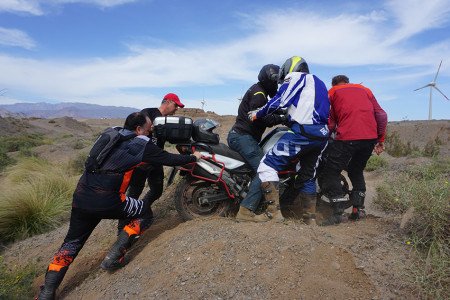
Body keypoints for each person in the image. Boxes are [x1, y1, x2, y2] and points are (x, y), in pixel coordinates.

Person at [37, 112, 201, 300]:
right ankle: (114, 256)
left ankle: (47, 292)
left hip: (81, 197)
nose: (150, 133)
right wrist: (193, 157)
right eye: (149, 130)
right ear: (139, 129)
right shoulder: (141, 143)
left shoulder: (111, 133)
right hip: (108, 200)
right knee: (145, 212)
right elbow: (168, 159)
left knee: (71, 244)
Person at [249, 56, 330, 224]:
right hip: (321, 136)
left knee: (267, 166)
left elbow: (280, 100)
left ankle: (273, 214)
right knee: (307, 176)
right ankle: (310, 219)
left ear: (290, 68)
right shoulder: (319, 83)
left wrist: (257, 113)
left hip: (302, 133)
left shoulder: (296, 77)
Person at [318, 75, 387, 226]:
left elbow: (330, 122)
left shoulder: (333, 92)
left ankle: (338, 214)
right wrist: (380, 139)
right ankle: (358, 210)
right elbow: (381, 115)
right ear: (348, 82)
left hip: (347, 137)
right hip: (369, 139)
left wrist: (324, 137)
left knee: (331, 172)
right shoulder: (365, 90)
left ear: (334, 83)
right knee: (356, 170)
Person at [227, 64, 287, 222]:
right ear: (268, 81)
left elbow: (267, 110)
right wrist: (283, 118)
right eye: (274, 82)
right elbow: (261, 116)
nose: (276, 86)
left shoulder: (259, 91)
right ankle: (246, 211)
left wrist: (282, 111)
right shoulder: (259, 94)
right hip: (242, 137)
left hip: (243, 136)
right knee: (265, 168)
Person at [119, 93, 185, 233]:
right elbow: (138, 129)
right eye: (175, 105)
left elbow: (171, 138)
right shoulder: (148, 113)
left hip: (155, 162)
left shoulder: (166, 121)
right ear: (167, 102)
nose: (176, 109)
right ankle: (122, 229)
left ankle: (142, 209)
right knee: (134, 193)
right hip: (141, 162)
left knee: (157, 190)